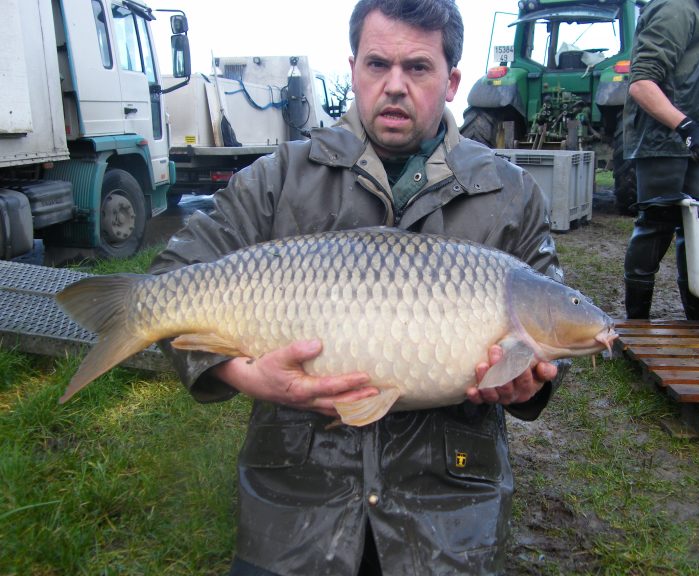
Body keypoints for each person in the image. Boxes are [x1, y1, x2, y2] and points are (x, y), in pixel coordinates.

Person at [151, 1, 564, 574]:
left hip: (449, 510)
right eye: (377, 64)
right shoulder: (279, 178)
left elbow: (553, 317)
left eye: (417, 68)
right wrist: (245, 375)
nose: (394, 85)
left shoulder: (511, 193)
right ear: (353, 70)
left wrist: (531, 383)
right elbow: (166, 285)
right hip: (295, 506)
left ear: (451, 81)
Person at [622, 0, 699, 320]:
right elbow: (641, 83)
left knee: (696, 229)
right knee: (655, 225)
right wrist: (687, 127)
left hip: (691, 145)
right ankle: (636, 323)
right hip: (662, 141)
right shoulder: (677, 7)